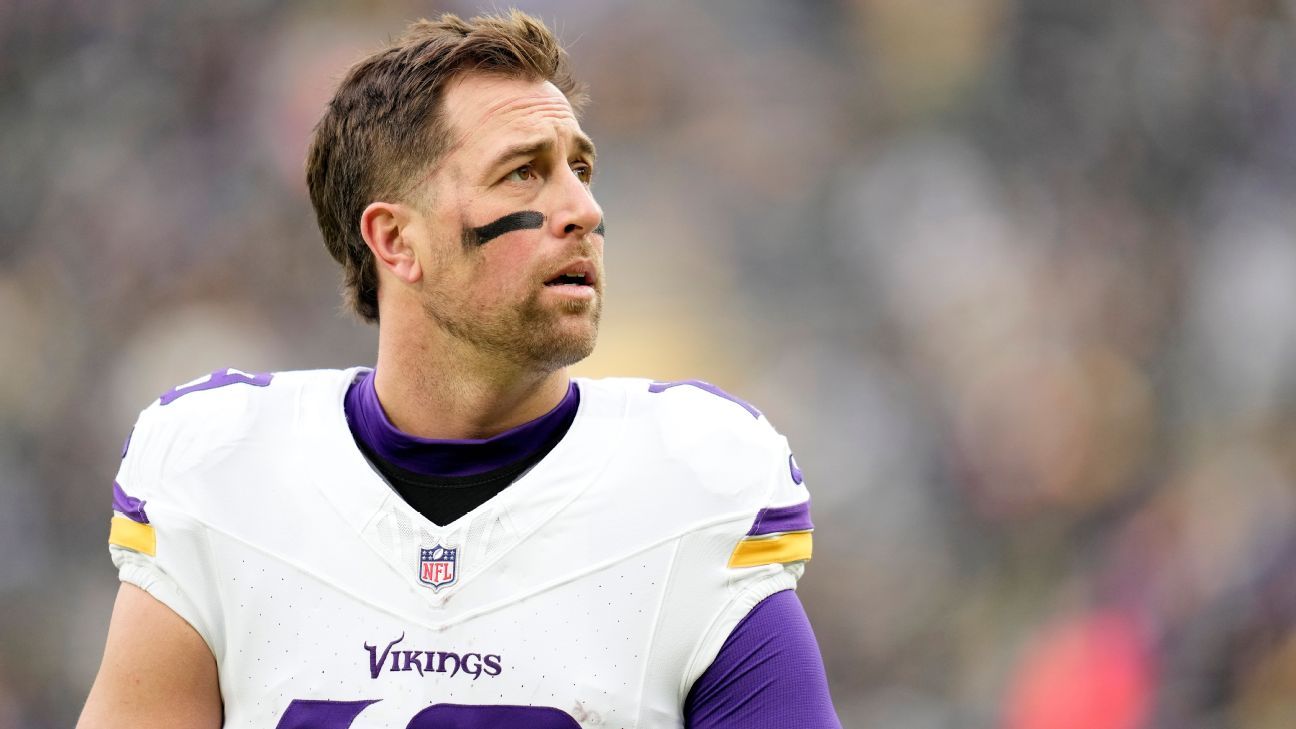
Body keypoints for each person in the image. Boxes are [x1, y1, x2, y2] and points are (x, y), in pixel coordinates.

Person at [78, 11, 840, 728]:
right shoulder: (226, 474)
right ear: (395, 241)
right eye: (522, 173)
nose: (583, 209)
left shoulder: (689, 485)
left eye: (580, 168)